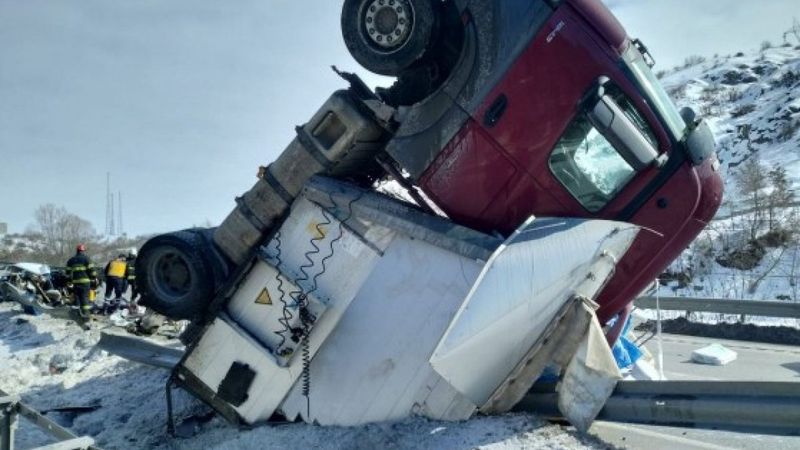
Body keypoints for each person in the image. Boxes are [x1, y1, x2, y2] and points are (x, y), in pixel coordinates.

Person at [65, 244, 98, 329]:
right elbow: (92, 272)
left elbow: (67, 273)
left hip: (75, 283)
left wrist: (69, 280)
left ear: (77, 251)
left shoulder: (71, 260)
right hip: (85, 282)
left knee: (77, 299)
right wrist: (93, 278)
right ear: (83, 251)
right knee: (85, 299)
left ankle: (76, 316)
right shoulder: (86, 259)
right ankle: (86, 318)